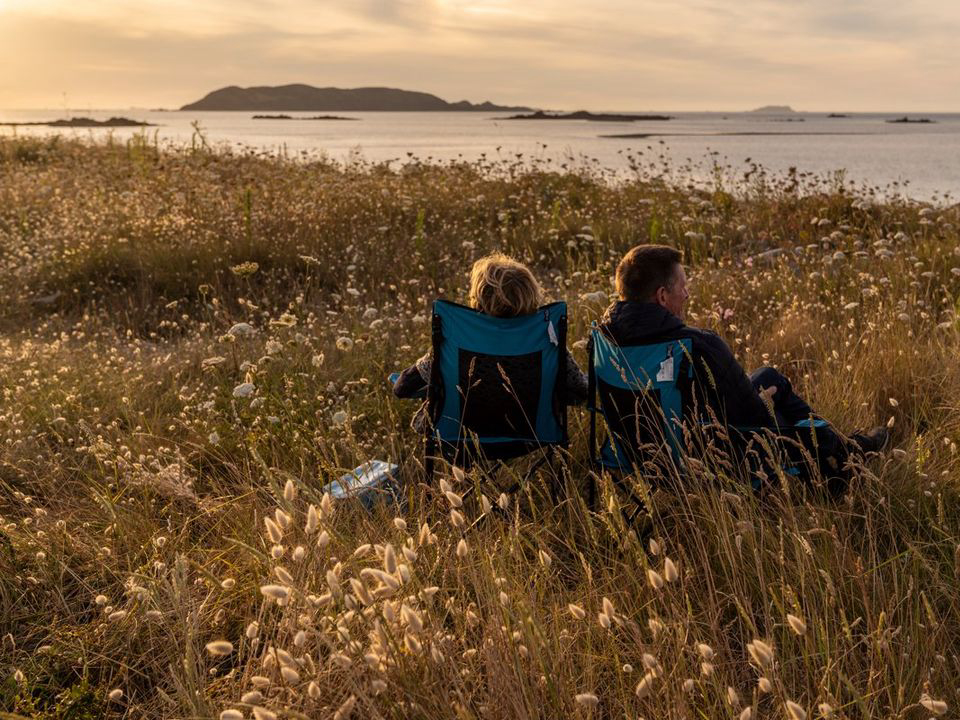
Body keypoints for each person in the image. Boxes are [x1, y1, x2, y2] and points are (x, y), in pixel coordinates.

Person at [598, 244, 888, 480]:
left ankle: (839, 455)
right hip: (703, 456)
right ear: (662, 295)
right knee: (772, 382)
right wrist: (762, 397)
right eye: (683, 287)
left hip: (628, 453)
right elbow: (753, 417)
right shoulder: (697, 345)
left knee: (766, 380)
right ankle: (843, 456)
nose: (687, 294)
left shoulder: (603, 340)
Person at [394, 253, 588, 429]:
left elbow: (402, 388)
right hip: (532, 436)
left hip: (461, 434)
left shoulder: (454, 340)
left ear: (478, 297)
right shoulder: (546, 339)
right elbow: (582, 389)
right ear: (532, 295)